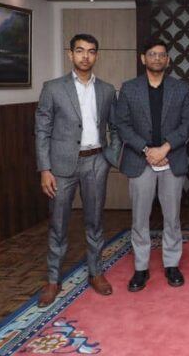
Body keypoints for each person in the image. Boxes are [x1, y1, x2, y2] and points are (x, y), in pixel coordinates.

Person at [34, 33, 121, 307]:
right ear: (70, 54)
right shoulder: (53, 88)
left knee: (95, 221)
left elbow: (115, 127)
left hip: (96, 161)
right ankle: (53, 280)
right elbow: (42, 130)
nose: (85, 56)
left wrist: (110, 156)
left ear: (97, 55)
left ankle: (96, 272)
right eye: (80, 51)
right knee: (58, 224)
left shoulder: (107, 90)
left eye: (91, 51)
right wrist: (45, 168)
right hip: (61, 167)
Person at [115, 38, 189, 292]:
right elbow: (122, 125)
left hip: (172, 159)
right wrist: (146, 150)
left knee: (172, 217)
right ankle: (141, 268)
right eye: (152, 54)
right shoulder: (129, 88)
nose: (157, 58)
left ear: (168, 60)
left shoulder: (180, 88)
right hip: (140, 160)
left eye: (162, 55)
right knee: (140, 218)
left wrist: (165, 148)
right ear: (143, 59)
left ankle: (172, 264)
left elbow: (187, 125)